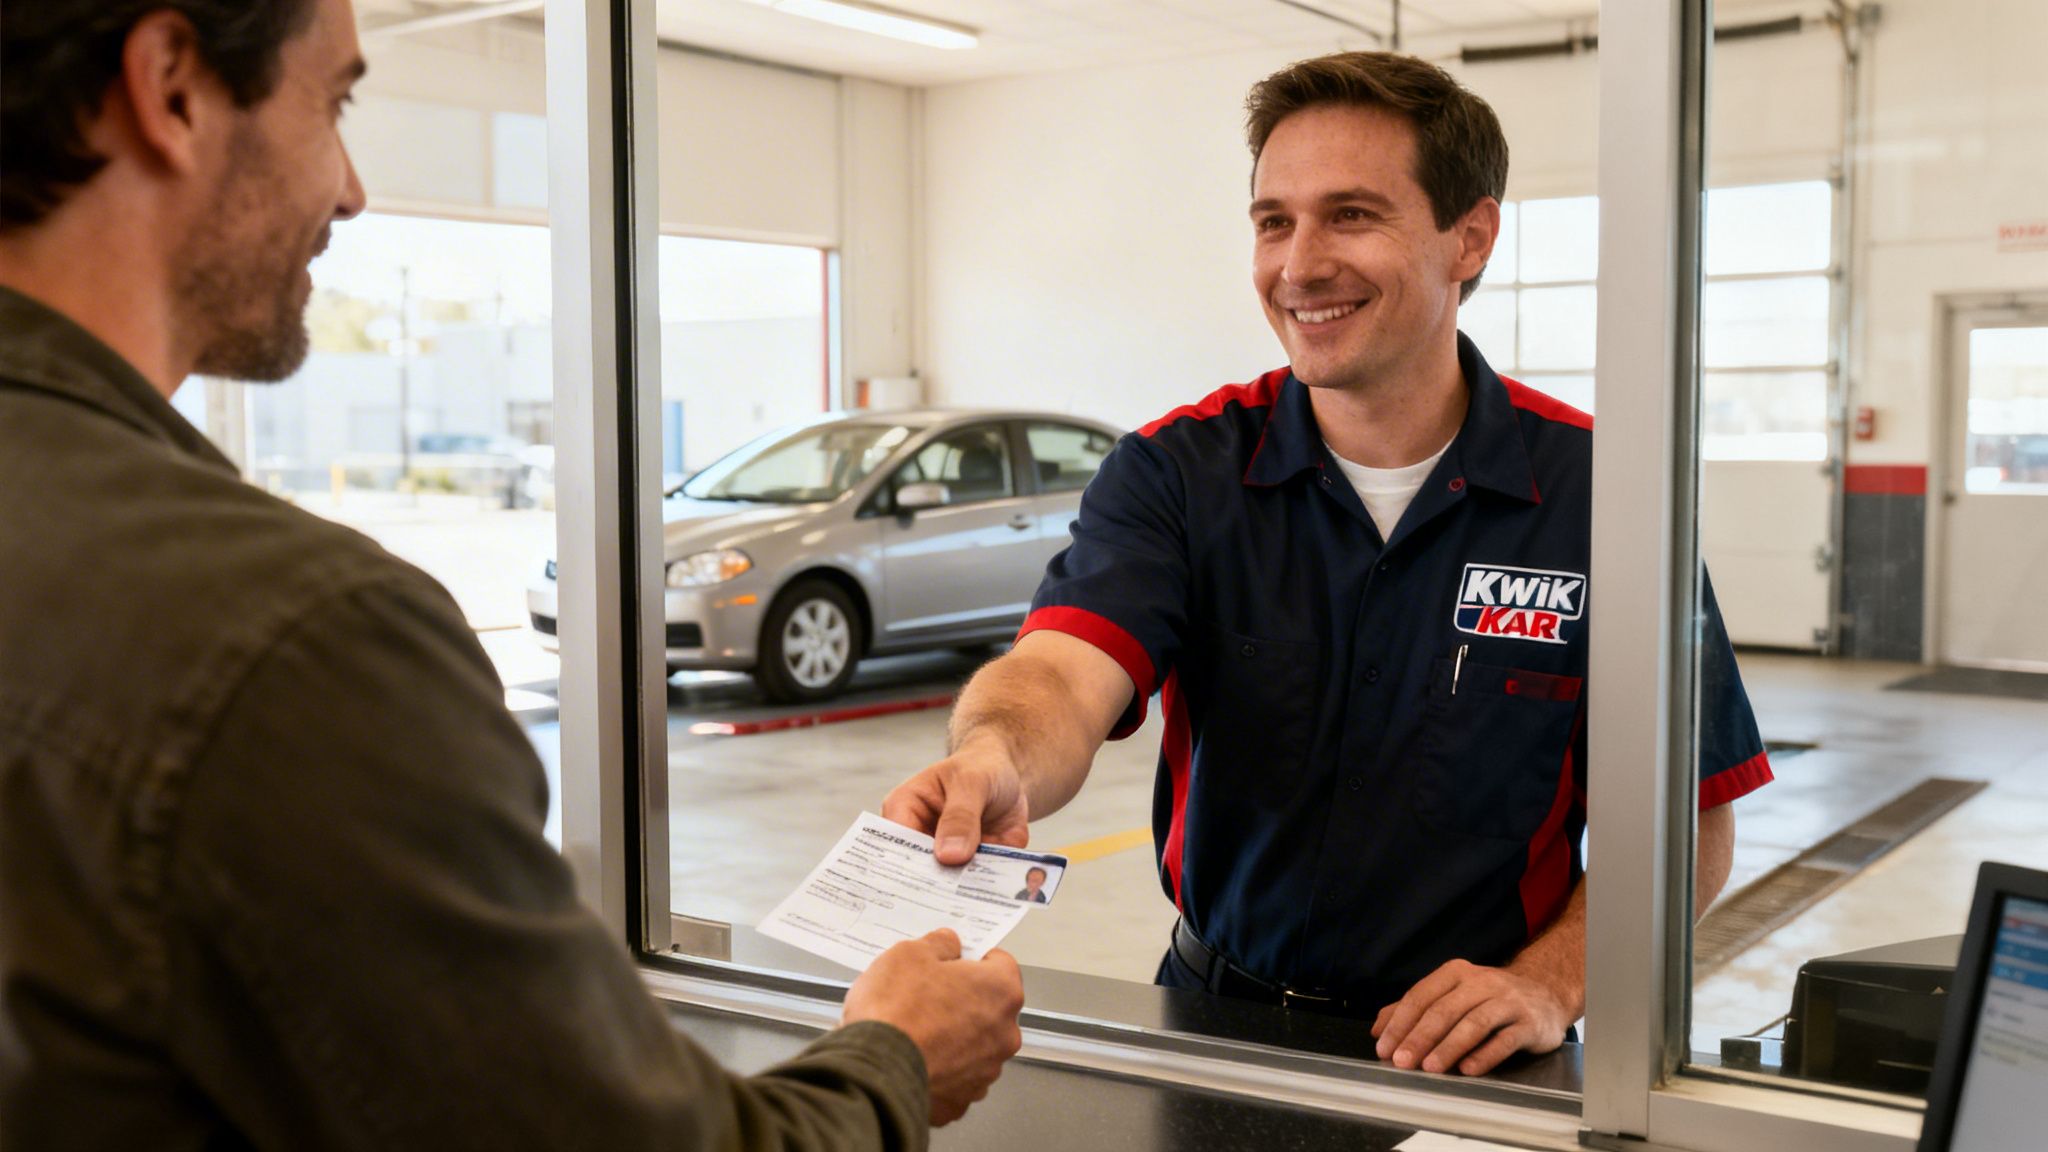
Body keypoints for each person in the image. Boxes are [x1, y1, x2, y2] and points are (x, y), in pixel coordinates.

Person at [0, 2, 1022, 1148]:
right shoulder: (295, 642)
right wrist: (893, 1055)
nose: (349, 189)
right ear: (172, 85)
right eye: (334, 105)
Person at [884, 51, 1773, 1079]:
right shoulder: (1178, 472)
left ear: (1468, 237)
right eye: (1273, 220)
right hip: (1213, 1026)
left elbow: (1688, 818)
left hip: (1477, 1056)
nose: (1297, 265)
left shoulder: (1603, 495)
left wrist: (1553, 980)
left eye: (1349, 215)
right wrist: (993, 755)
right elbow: (1060, 672)